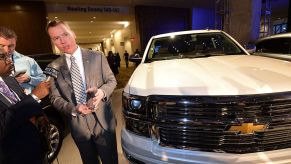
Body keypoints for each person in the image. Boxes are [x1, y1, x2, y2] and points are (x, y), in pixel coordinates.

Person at [46, 20, 118, 164]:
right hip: (78, 125)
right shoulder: (53, 67)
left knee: (110, 160)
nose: (62, 41)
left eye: (65, 34)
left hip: (103, 121)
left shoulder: (97, 56)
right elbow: (54, 98)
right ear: (53, 42)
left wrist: (101, 92)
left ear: (73, 34)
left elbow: (111, 81)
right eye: (56, 38)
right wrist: (74, 108)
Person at [0, 48, 50, 164]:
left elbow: (23, 103)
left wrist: (40, 116)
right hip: (12, 156)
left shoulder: (10, 79)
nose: (10, 61)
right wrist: (34, 97)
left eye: (9, 56)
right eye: (3, 57)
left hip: (36, 149)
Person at [0, 26, 46, 94]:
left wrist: (30, 79)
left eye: (11, 46)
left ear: (16, 43)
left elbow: (44, 82)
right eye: (2, 45)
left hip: (30, 101)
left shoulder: (28, 61)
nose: (7, 50)